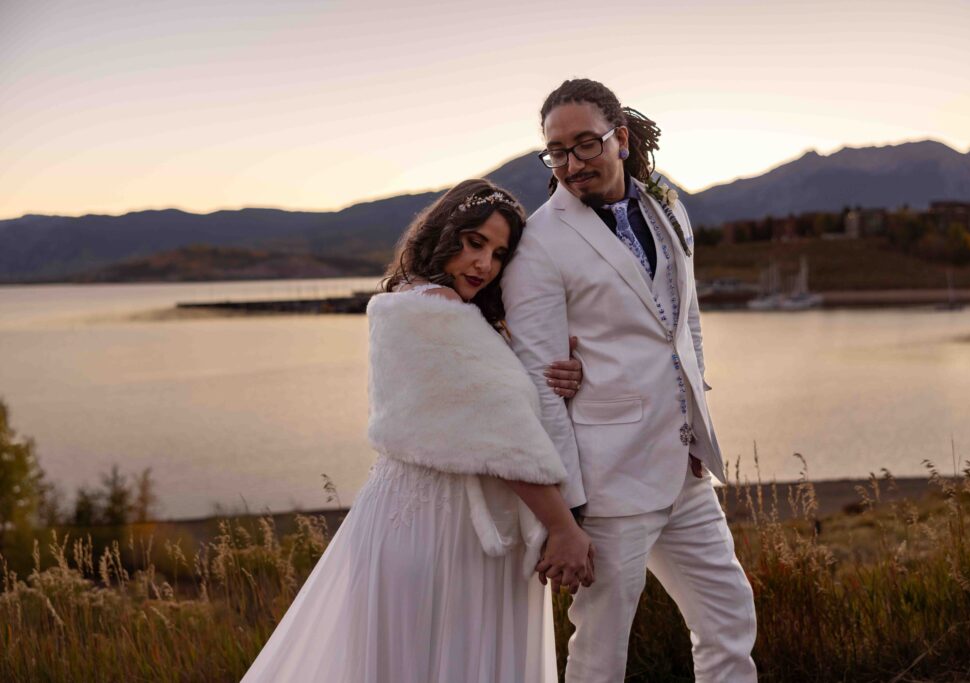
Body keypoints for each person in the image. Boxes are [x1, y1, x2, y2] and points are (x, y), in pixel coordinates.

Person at [241, 179, 593, 683]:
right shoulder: (437, 312)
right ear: (445, 234)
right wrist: (562, 526)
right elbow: (504, 432)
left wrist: (555, 371)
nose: (483, 265)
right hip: (443, 532)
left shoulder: (419, 306)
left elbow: (495, 399)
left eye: (498, 253)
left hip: (402, 515)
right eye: (474, 243)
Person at [501, 78, 758, 682]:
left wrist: (695, 421)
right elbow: (541, 382)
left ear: (619, 137)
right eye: (556, 152)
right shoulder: (539, 243)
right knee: (601, 649)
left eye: (585, 145)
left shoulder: (666, 202)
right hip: (608, 480)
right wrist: (568, 510)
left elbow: (685, 319)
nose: (571, 163)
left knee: (728, 618)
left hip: (683, 466)